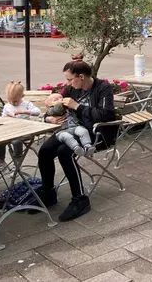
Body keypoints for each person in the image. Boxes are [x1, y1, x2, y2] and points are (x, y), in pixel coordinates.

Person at [37, 61, 115, 222]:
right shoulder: (71, 89)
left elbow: (106, 115)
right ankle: (48, 193)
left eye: (70, 79)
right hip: (70, 130)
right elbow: (55, 107)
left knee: (64, 152)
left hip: (96, 133)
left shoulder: (103, 88)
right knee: (44, 151)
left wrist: (78, 107)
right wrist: (49, 118)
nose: (68, 83)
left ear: (81, 76)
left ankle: (80, 200)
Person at [0, 81, 41, 168]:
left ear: (22, 96)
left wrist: (25, 111)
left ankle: (17, 162)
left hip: (25, 130)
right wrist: (7, 119)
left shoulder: (26, 104)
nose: (13, 103)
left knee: (16, 142)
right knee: (0, 141)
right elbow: (2, 119)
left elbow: (37, 112)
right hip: (11, 130)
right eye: (10, 101)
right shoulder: (7, 106)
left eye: (15, 101)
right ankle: (1, 161)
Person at [45, 93, 95, 157]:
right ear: (49, 105)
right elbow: (57, 110)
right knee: (67, 137)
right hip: (61, 131)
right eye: (56, 99)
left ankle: (87, 146)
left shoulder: (68, 107)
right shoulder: (51, 110)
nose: (60, 99)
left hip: (75, 126)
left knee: (83, 131)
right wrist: (60, 103)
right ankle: (76, 148)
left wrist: (72, 105)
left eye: (61, 97)